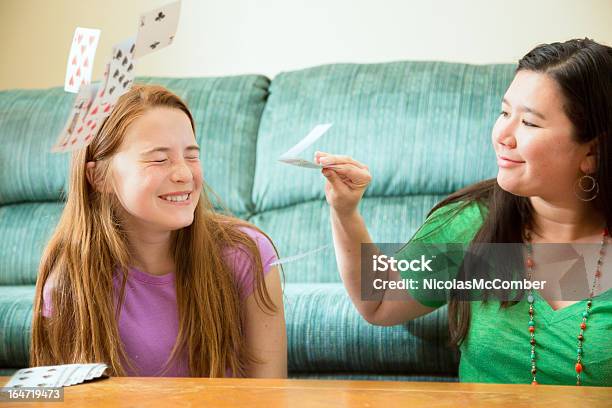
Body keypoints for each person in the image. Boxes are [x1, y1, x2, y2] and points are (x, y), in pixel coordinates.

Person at [315, 38, 612, 386]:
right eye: (504, 112)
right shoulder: (474, 223)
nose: (503, 134)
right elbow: (379, 301)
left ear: (592, 152)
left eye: (529, 123)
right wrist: (345, 211)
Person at [31, 85, 287, 378]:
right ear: (98, 176)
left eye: (191, 156)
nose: (184, 174)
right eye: (159, 158)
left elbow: (270, 394)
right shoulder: (68, 281)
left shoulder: (248, 254)